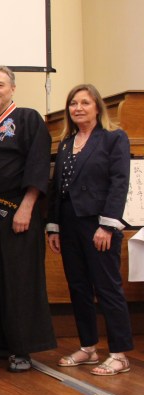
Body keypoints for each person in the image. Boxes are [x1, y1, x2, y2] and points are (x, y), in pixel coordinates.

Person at [47, 84, 133, 376]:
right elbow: (57, 188)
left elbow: (119, 182)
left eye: (85, 102)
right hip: (69, 225)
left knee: (107, 288)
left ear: (97, 107)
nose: (78, 108)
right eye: (73, 103)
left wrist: (107, 225)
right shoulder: (66, 143)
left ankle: (119, 353)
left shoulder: (113, 138)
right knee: (79, 288)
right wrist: (54, 227)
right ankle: (88, 347)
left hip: (99, 226)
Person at [0, 66, 56, 372]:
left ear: (12, 88)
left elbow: (37, 163)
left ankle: (22, 348)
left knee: (20, 280)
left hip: (18, 211)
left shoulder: (27, 118)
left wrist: (27, 205)